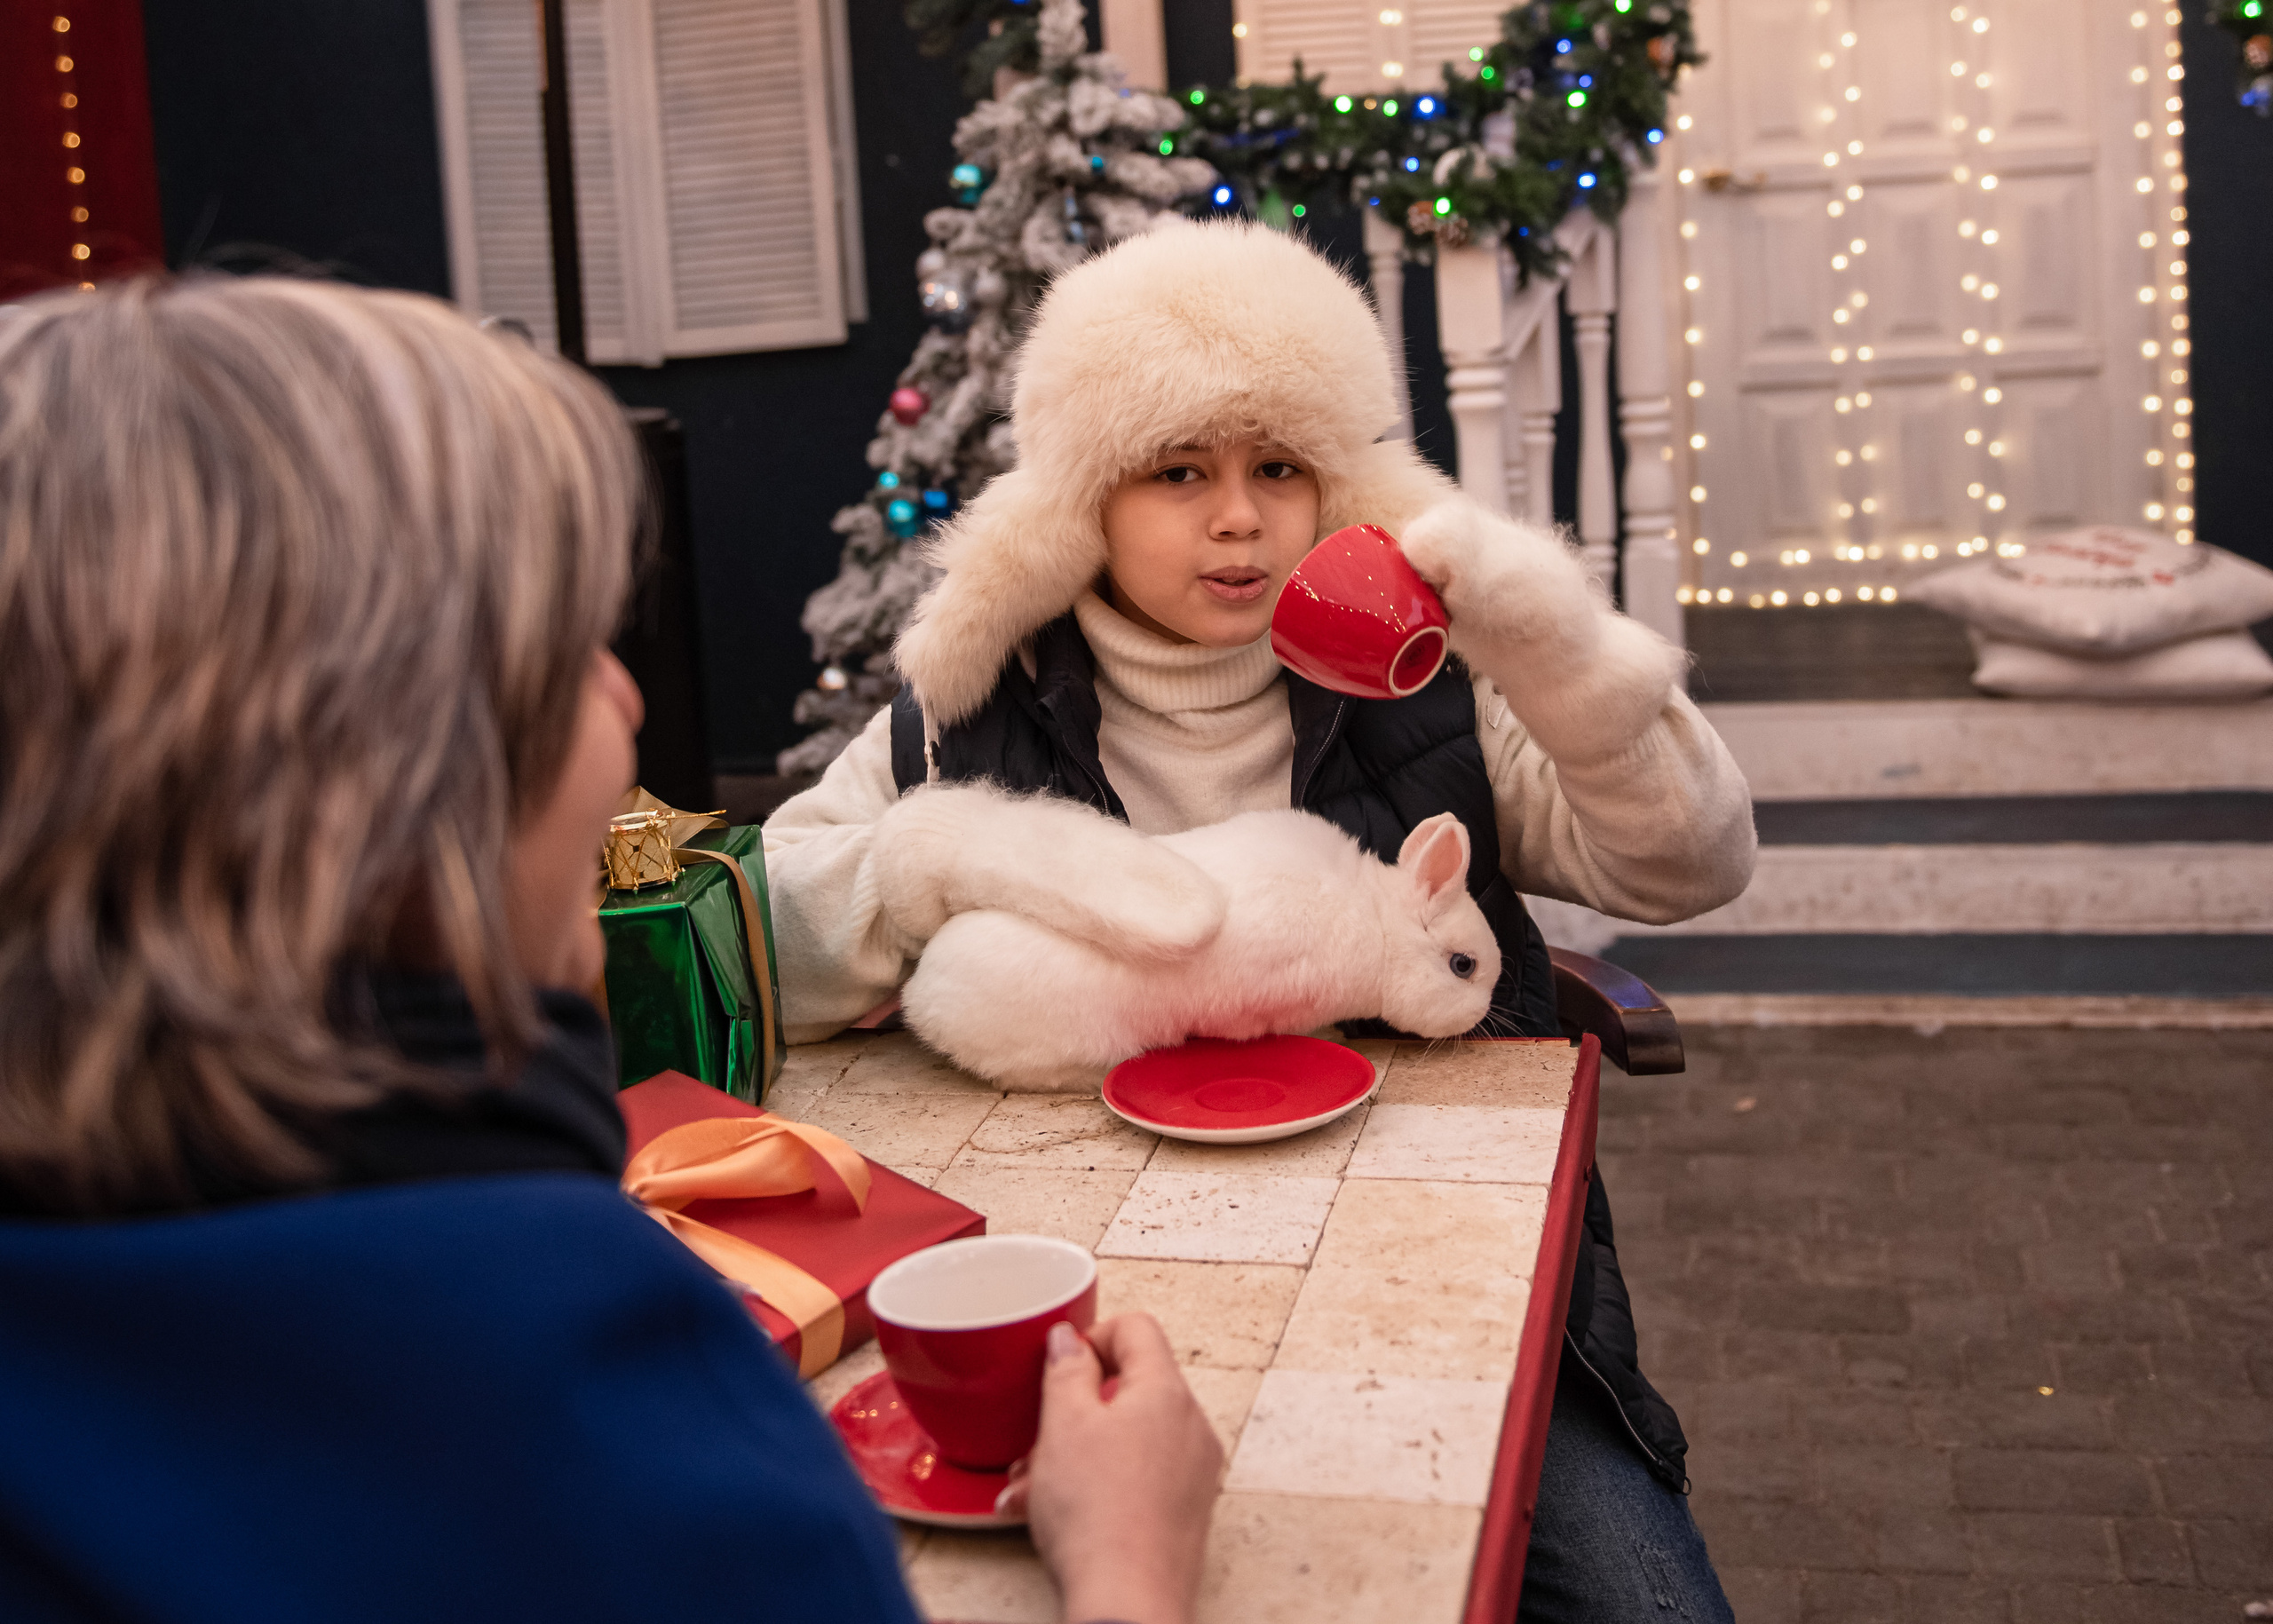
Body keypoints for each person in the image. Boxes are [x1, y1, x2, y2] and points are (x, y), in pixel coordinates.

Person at [0, 276, 1220, 1624]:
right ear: (375, 776)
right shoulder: (596, 1416)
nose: (628, 693)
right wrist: (1130, 1565)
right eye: (568, 651)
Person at [764, 220, 1756, 1621]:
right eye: (1179, 469)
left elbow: (1692, 863)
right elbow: (764, 937)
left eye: (1278, 468)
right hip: (1079, 1302)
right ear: (1085, 498)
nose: (1239, 518)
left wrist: (1564, 656)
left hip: (1439, 1294)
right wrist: (944, 856)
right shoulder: (969, 716)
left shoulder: (1424, 687)